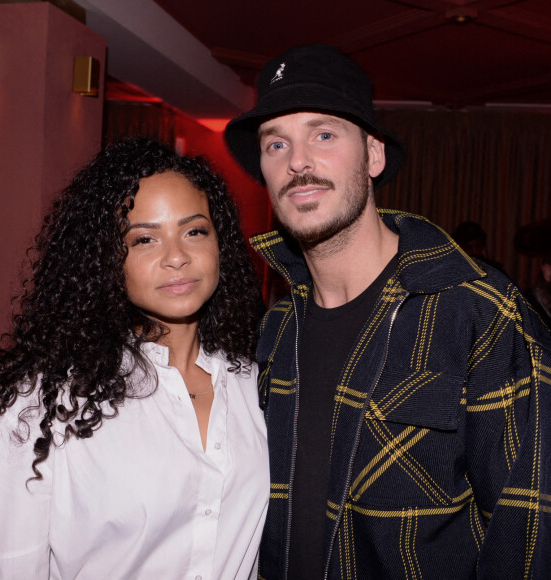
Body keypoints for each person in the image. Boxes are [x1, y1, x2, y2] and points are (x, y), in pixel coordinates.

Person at [224, 44, 551, 579]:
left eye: (323, 134)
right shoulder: (275, 330)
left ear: (373, 156)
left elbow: (529, 534)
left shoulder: (479, 312)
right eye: (275, 143)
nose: (298, 161)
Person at [0, 138, 269, 578]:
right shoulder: (46, 406)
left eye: (194, 231)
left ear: (220, 243)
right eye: (144, 239)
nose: (177, 257)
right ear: (107, 259)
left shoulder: (255, 382)